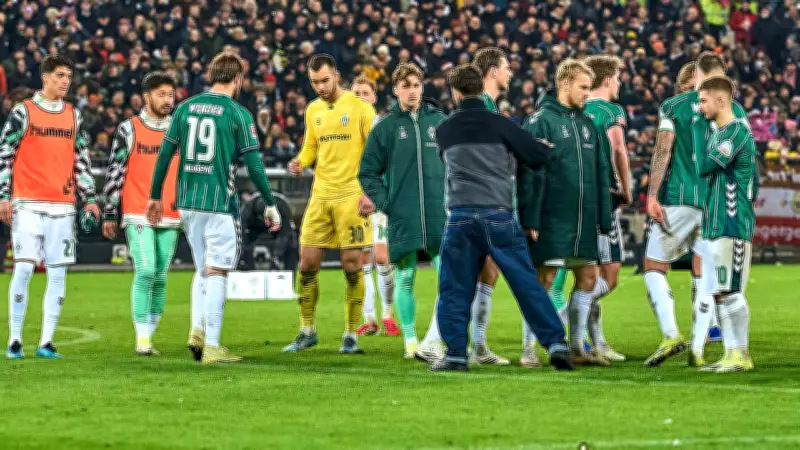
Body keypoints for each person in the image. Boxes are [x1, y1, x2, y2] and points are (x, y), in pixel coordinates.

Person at [431, 64, 572, 372]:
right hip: (498, 214)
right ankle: (556, 343)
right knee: (526, 283)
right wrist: (540, 148)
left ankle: (455, 354)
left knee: (454, 288)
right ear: (481, 88)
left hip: (460, 216)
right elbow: (536, 157)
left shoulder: (444, 130)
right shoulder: (501, 124)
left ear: (455, 92)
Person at [146, 52, 281, 364]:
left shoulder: (184, 107)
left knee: (202, 268)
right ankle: (213, 345)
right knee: (217, 270)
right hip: (219, 202)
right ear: (238, 78)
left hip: (188, 202)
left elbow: (165, 154)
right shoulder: (238, 113)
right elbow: (254, 166)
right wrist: (270, 202)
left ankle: (197, 330)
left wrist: (154, 196)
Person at [643, 52, 748, 368]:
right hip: (716, 203)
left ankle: (671, 334)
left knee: (653, 265)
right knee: (704, 274)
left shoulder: (673, 106)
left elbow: (663, 149)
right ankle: (699, 349)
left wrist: (652, 194)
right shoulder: (734, 109)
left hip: (679, 198)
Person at [1, 54, 100, 360]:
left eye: (68, 76)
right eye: (59, 75)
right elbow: (5, 154)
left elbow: (81, 159)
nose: (65, 81)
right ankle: (15, 340)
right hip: (27, 202)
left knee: (58, 273)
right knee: (24, 267)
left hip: (63, 205)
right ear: (45, 77)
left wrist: (90, 197)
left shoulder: (73, 115)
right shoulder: (23, 112)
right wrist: (3, 195)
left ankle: (46, 342)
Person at [519, 58, 613, 366]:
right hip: (552, 217)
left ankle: (576, 347)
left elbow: (601, 172)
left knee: (588, 277)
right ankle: (529, 349)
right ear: (564, 84)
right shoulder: (540, 121)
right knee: (543, 280)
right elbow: (529, 173)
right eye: (583, 87)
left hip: (583, 219)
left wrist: (604, 217)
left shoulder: (588, 125)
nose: (587, 93)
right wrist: (530, 219)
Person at [284, 54, 377, 354]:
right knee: (306, 264)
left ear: (336, 75)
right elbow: (311, 146)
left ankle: (351, 334)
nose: (321, 87)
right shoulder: (313, 110)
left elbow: (376, 153)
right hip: (321, 195)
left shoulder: (361, 108)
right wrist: (300, 162)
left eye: (325, 80)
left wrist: (370, 193)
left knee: (352, 266)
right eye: (315, 82)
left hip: (352, 195)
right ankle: (306, 330)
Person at [358, 63, 447, 359]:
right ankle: (410, 340)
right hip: (403, 214)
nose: (412, 91)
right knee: (406, 276)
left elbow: (456, 162)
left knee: (447, 277)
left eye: (416, 85)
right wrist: (387, 202)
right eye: (406, 86)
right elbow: (367, 172)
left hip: (438, 212)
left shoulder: (440, 121)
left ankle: (440, 336)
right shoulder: (385, 128)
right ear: (395, 89)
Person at [102, 72, 178, 356]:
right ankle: (142, 339)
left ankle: (148, 335)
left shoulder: (180, 130)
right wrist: (110, 212)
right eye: (161, 94)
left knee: (160, 276)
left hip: (172, 212)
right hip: (138, 211)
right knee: (146, 270)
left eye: (170, 94)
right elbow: (115, 172)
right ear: (146, 97)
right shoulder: (128, 129)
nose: (168, 100)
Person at [695, 76, 757, 373]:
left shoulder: (737, 131)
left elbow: (705, 165)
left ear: (721, 100)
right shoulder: (720, 133)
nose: (699, 107)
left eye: (703, 100)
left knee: (730, 290)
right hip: (716, 221)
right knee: (719, 290)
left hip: (732, 221)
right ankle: (730, 353)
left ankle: (741, 354)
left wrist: (697, 129)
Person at [462, 47, 512, 366]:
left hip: (477, 196)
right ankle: (441, 342)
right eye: (506, 67)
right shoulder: (481, 105)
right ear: (492, 71)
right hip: (478, 199)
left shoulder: (487, 106)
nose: (510, 73)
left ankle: (476, 345)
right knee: (476, 271)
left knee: (484, 270)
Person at [581, 55, 632, 362]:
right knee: (609, 276)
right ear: (607, 79)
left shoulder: (575, 108)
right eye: (618, 78)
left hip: (578, 199)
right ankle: (562, 316)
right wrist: (626, 188)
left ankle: (597, 342)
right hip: (604, 198)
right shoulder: (610, 111)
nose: (620, 84)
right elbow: (618, 149)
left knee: (590, 275)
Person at [351, 74, 399, 337]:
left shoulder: (382, 126)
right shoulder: (344, 124)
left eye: (364, 93)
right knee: (359, 259)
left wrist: (372, 194)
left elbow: (390, 164)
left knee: (382, 256)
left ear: (374, 97)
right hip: (351, 197)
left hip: (377, 197)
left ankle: (388, 313)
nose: (359, 97)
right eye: (355, 93)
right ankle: (369, 318)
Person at [240, 191, 297, 272]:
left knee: (291, 242)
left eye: (268, 219)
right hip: (255, 227)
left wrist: (276, 256)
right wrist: (243, 252)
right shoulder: (248, 206)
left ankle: (289, 275)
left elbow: (284, 233)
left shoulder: (282, 205)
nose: (266, 222)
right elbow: (242, 231)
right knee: (245, 249)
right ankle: (248, 269)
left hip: (278, 226)